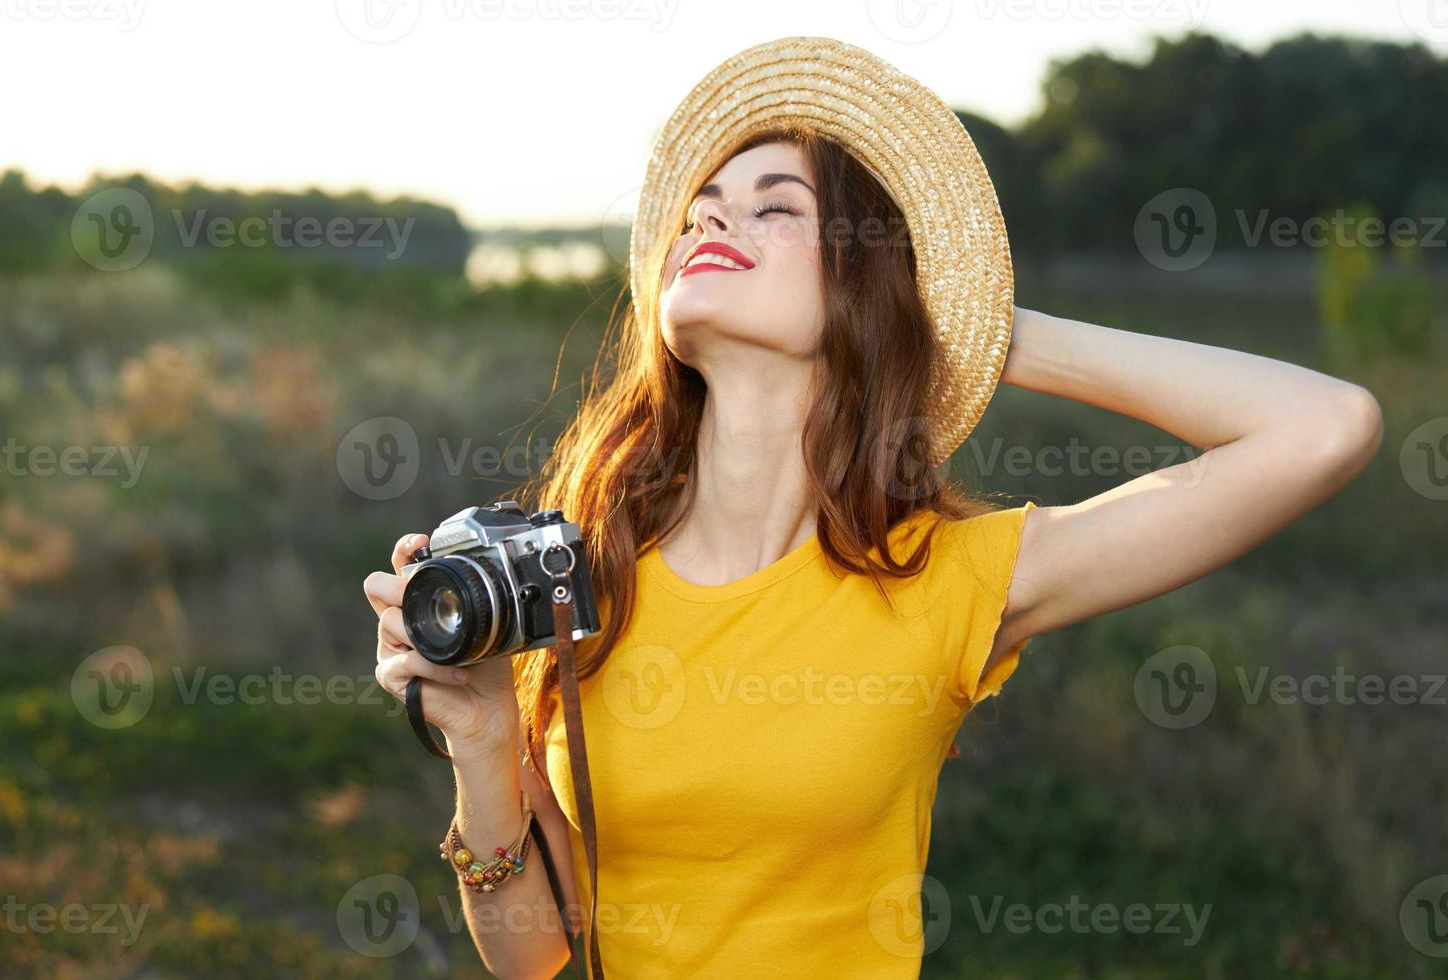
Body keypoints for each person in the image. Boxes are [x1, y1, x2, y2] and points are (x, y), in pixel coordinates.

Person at [362, 38, 1382, 980]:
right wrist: (487, 741)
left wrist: (979, 322)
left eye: (775, 207)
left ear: (869, 283)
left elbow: (1323, 426)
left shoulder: (947, 579)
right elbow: (534, 951)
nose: (712, 218)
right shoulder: (581, 569)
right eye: (703, 207)